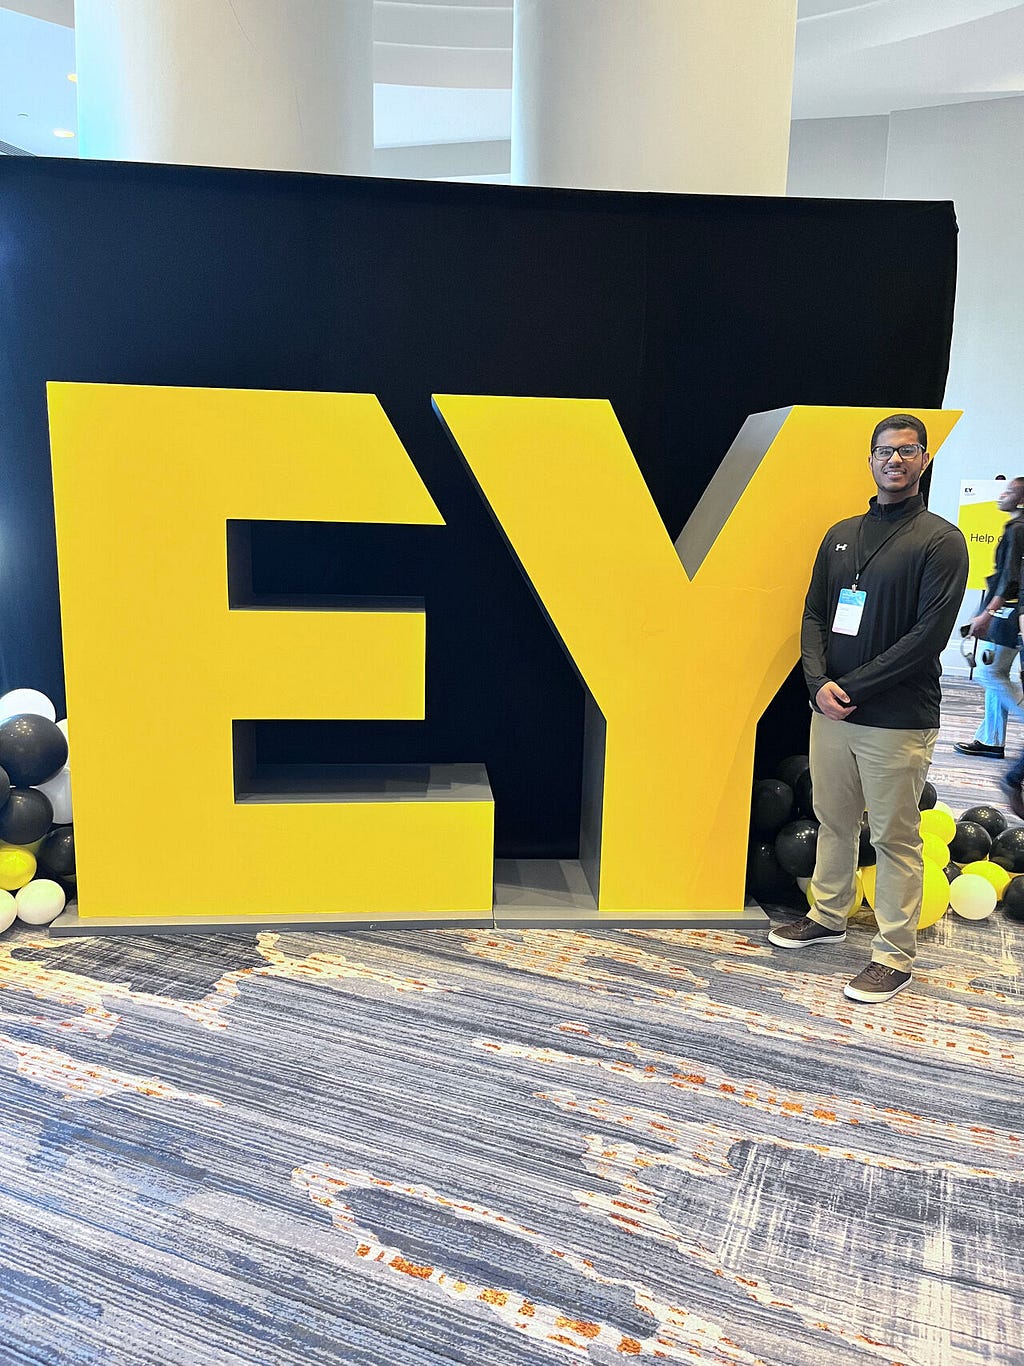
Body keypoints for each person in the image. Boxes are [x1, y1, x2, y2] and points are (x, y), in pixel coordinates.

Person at [768, 414, 969, 1004]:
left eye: (907, 451)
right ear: (871, 459)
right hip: (830, 712)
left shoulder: (940, 540)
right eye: (885, 451)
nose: (895, 460)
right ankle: (828, 917)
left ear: (923, 459)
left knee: (895, 837)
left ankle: (894, 955)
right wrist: (817, 682)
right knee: (834, 820)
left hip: (897, 719)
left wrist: (851, 686)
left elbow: (928, 636)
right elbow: (812, 615)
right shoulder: (840, 534)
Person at [953, 476, 1024, 759]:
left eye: (1008, 492)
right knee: (998, 673)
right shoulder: (1016, 527)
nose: (1001, 495)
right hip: (1008, 610)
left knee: (988, 672)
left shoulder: (1017, 529)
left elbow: (1009, 579)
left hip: (1008, 613)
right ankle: (991, 740)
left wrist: (987, 614)